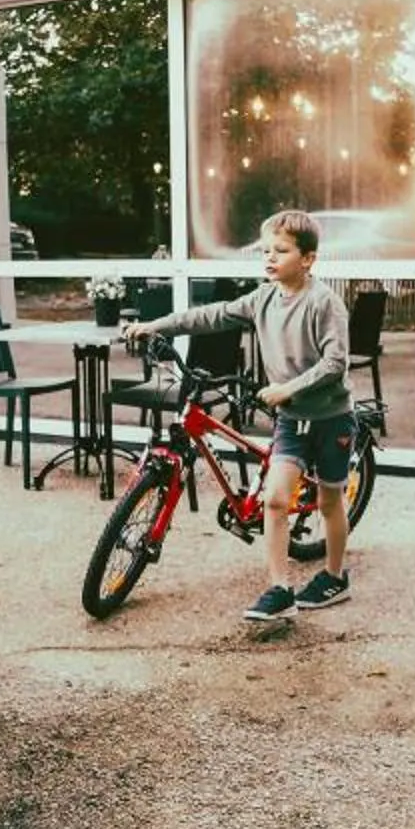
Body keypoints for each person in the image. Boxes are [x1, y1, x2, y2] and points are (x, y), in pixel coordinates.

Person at [124, 207, 356, 621]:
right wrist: (157, 324)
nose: (269, 257)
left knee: (328, 502)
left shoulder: (324, 303)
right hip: (290, 422)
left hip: (330, 419)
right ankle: (280, 589)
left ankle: (335, 577)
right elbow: (209, 315)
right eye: (265, 250)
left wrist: (288, 387)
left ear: (307, 259)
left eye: (280, 250)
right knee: (276, 502)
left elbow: (335, 363)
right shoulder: (263, 298)